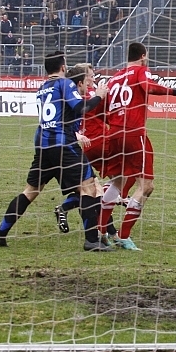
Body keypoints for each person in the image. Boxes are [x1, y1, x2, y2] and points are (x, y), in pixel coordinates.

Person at [0, 52, 111, 251]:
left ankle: (0, 234)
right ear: (63, 67)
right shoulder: (65, 84)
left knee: (30, 192)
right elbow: (81, 107)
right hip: (63, 145)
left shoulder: (43, 88)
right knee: (89, 187)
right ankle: (91, 240)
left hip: (43, 146)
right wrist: (99, 95)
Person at [97, 42, 176, 250]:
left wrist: (115, 123)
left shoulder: (114, 78)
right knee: (146, 186)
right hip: (134, 133)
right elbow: (149, 87)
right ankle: (124, 235)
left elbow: (102, 109)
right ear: (143, 56)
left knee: (119, 180)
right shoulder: (141, 70)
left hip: (114, 134)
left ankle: (100, 231)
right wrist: (175, 91)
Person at [54, 63, 129, 243]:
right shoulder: (87, 97)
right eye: (91, 76)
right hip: (99, 144)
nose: (93, 79)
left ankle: (67, 208)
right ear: (82, 79)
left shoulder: (76, 96)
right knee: (117, 180)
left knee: (90, 188)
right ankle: (108, 229)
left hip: (85, 146)